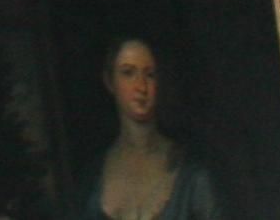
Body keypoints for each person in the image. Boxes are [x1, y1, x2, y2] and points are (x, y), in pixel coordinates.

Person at [80, 38, 222, 220]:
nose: (141, 87)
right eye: (128, 73)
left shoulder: (193, 175)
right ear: (109, 81)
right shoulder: (92, 179)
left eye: (150, 75)